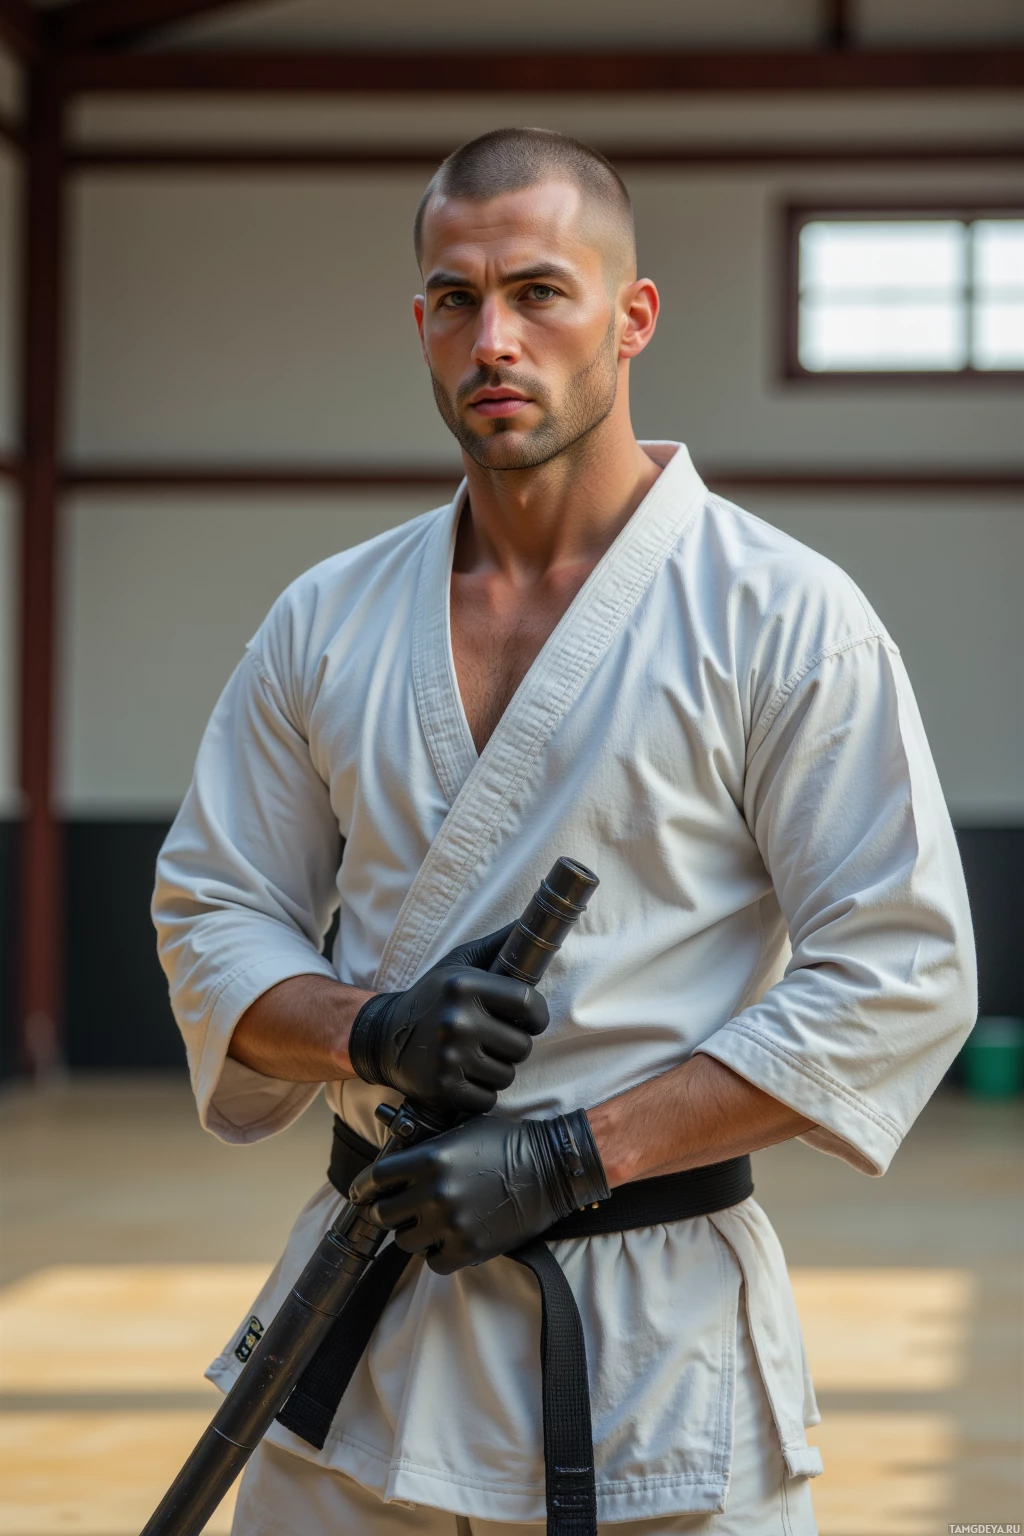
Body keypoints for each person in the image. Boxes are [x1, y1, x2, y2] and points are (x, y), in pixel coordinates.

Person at [152, 128, 976, 1536]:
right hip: (360, 1336)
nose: (494, 339)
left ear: (631, 315)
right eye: (456, 299)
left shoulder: (780, 614)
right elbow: (213, 911)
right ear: (421, 323)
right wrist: (369, 1031)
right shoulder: (327, 617)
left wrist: (571, 1155)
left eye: (539, 292)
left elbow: (903, 972)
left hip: (654, 1355)